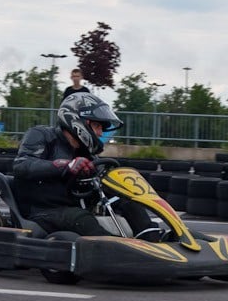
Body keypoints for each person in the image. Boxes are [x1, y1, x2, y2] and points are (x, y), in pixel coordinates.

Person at [12, 93, 159, 240]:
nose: (100, 133)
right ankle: (115, 249)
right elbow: (22, 165)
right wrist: (65, 165)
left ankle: (153, 237)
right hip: (41, 210)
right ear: (77, 120)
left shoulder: (85, 153)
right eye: (97, 126)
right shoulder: (41, 135)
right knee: (82, 219)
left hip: (72, 208)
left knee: (126, 200)